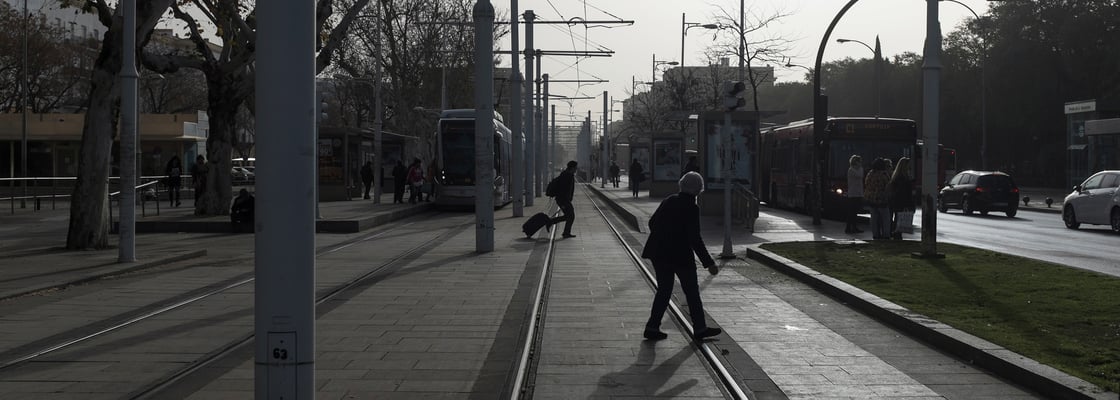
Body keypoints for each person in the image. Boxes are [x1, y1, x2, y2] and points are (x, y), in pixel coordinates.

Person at [641, 171, 722, 341]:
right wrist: (709, 263)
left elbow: (651, 222)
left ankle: (652, 326)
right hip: (680, 256)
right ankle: (700, 328)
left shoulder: (669, 200)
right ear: (699, 189)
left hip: (659, 253)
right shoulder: (691, 207)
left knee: (664, 290)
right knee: (691, 292)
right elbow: (695, 238)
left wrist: (664, 235)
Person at [548, 160, 579, 238]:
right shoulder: (567, 175)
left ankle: (551, 222)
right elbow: (563, 189)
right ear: (572, 168)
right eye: (576, 168)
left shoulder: (567, 174)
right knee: (571, 216)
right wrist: (565, 201)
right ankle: (564, 232)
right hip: (563, 200)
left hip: (563, 199)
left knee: (569, 216)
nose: (576, 169)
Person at [864, 157, 892, 240]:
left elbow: (866, 183)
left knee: (874, 218)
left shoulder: (870, 173)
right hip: (882, 199)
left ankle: (875, 234)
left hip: (872, 199)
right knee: (885, 218)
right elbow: (888, 186)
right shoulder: (884, 174)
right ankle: (886, 234)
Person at [888, 157, 915, 239]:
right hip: (902, 202)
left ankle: (895, 233)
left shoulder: (896, 177)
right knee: (900, 218)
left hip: (896, 201)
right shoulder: (904, 179)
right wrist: (910, 203)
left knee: (897, 217)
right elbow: (905, 193)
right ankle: (897, 234)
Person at [844, 155, 864, 234]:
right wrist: (859, 168)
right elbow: (860, 175)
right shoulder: (851, 170)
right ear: (855, 162)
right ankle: (849, 227)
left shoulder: (859, 169)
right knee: (851, 212)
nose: (860, 163)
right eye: (858, 161)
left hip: (859, 193)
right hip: (853, 194)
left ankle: (854, 227)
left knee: (855, 212)